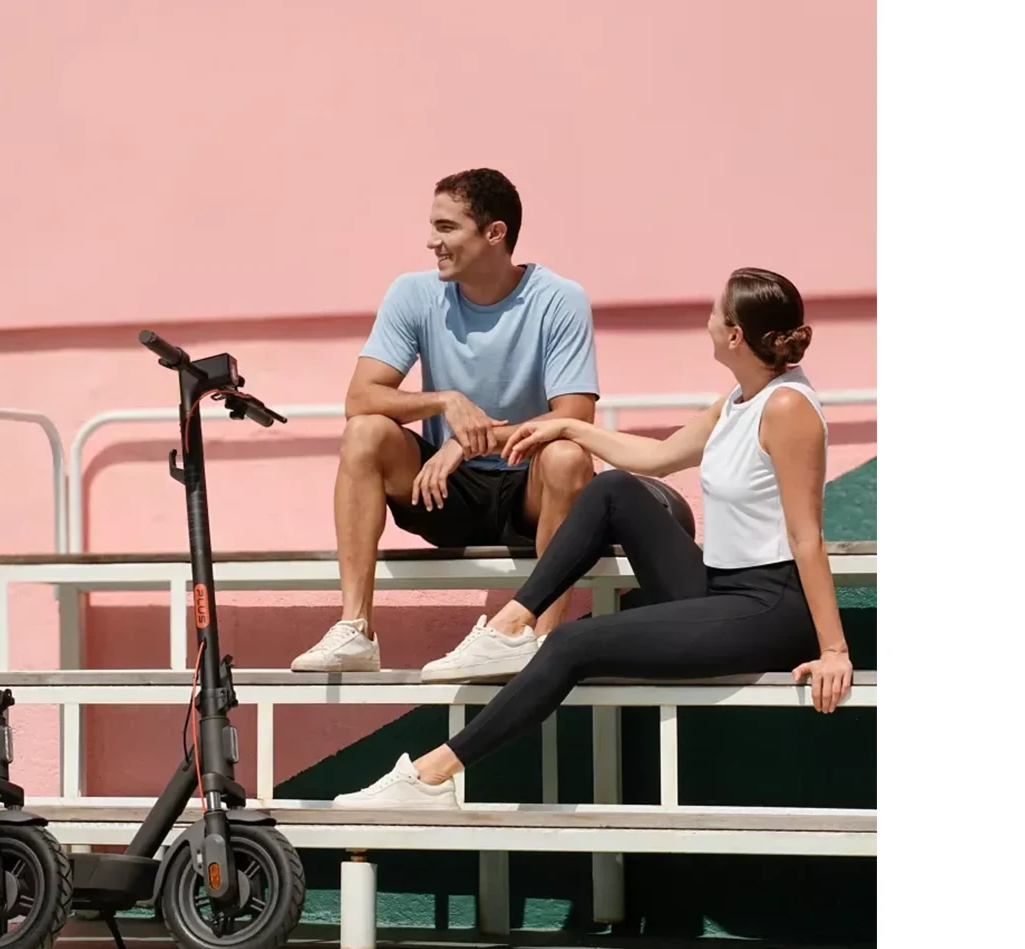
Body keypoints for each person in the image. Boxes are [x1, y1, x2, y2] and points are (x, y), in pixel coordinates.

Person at [330, 266, 857, 809]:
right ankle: (513, 624)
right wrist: (567, 427)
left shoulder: (787, 407)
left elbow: (806, 535)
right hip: (718, 590)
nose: (707, 321)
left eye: (714, 312)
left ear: (735, 335)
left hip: (767, 607)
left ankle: (430, 777)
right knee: (615, 488)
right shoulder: (740, 400)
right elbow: (658, 457)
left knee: (571, 643)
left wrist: (834, 650)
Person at [291, 167, 602, 679]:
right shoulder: (413, 294)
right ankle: (355, 628)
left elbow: (575, 416)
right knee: (364, 431)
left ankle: (540, 640)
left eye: (447, 227)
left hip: (528, 490)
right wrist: (444, 402)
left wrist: (468, 441)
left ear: (494, 233)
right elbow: (360, 397)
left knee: (568, 455)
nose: (431, 241)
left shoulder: (559, 298)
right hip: (442, 492)